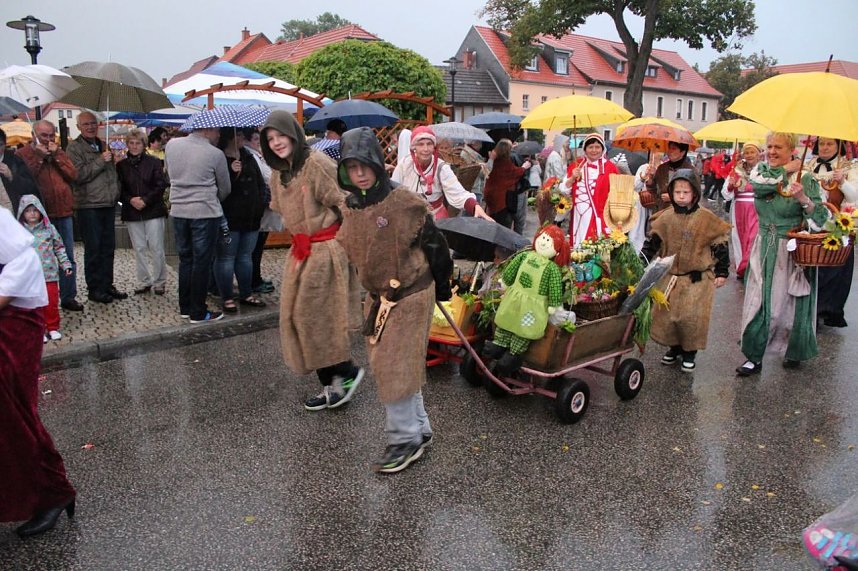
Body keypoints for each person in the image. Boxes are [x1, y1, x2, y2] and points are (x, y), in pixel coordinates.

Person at [335, 126, 453, 473]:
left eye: (364, 165)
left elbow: (436, 247)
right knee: (397, 364)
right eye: (351, 167)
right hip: (380, 299)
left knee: (394, 364)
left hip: (412, 293)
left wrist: (443, 285)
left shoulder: (404, 203)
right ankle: (419, 429)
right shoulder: (351, 206)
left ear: (375, 161)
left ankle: (404, 440)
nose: (359, 173)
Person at [260, 110, 364, 411]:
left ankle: (346, 374)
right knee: (297, 317)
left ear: (293, 133)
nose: (277, 142)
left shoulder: (316, 163)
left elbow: (345, 201)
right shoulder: (279, 173)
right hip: (301, 250)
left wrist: (350, 245)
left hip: (325, 249)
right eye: (271, 139)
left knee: (316, 317)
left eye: (281, 135)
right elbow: (282, 208)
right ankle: (331, 383)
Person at [0, 208, 76, 537]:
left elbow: (24, 262)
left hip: (12, 328)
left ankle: (52, 494)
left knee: (13, 416)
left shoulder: (3, 224)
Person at [736, 132, 829, 376]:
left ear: (792, 150)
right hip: (763, 244)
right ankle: (754, 356)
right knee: (759, 301)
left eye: (779, 147)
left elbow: (820, 219)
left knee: (791, 304)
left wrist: (803, 198)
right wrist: (786, 168)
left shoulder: (806, 178)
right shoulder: (762, 172)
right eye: (769, 146)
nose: (772, 151)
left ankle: (793, 350)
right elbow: (757, 186)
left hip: (791, 248)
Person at [640, 170, 731, 372]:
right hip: (671, 276)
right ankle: (674, 348)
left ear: (695, 193)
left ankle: (689, 352)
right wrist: (641, 262)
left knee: (690, 318)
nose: (681, 196)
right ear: (671, 193)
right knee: (670, 317)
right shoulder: (665, 218)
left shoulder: (707, 219)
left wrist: (722, 272)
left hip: (696, 280)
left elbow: (720, 246)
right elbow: (652, 243)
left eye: (686, 192)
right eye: (677, 192)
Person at [164, 124, 231, 323]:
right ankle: (198, 311)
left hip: (179, 210)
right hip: (204, 211)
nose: (219, 135)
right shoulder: (215, 153)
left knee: (186, 259)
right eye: (217, 131)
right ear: (207, 129)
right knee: (201, 262)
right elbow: (225, 188)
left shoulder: (172, 145)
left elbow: (168, 174)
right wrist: (211, 197)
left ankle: (185, 306)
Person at [16, 120, 83, 311]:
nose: (48, 139)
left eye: (51, 135)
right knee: (39, 258)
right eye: (44, 135)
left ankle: (68, 296)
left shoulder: (58, 152)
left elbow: (72, 175)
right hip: (38, 216)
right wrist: (38, 157)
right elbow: (24, 180)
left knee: (67, 256)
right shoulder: (23, 154)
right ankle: (41, 297)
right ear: (33, 135)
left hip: (63, 211)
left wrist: (57, 157)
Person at [67, 111, 127, 304]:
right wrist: (101, 160)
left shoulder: (103, 144)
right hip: (89, 205)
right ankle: (95, 289)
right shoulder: (74, 148)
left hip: (107, 203)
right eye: (86, 124)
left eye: (93, 123)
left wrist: (116, 190)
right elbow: (79, 175)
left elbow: (110, 174)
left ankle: (107, 285)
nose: (91, 127)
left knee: (108, 248)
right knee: (94, 248)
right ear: (79, 127)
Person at [214, 127, 267, 312]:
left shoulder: (248, 156)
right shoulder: (220, 157)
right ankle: (227, 296)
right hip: (230, 217)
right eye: (238, 134)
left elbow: (260, 183)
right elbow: (219, 189)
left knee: (245, 258)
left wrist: (260, 204)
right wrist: (231, 172)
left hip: (251, 217)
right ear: (229, 136)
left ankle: (246, 293)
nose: (242, 138)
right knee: (226, 258)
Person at [391, 126, 491, 221]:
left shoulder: (441, 167)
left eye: (429, 144)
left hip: (435, 217)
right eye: (421, 144)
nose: (425, 149)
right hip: (410, 218)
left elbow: (458, 193)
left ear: (434, 146)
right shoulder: (404, 165)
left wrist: (475, 206)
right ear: (414, 147)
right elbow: (392, 191)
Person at [809, 137, 857, 328]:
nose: (825, 147)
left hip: (837, 223)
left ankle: (825, 309)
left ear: (839, 147)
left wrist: (843, 182)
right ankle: (810, 307)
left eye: (830, 144)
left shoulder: (848, 167)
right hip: (813, 222)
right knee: (813, 267)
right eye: (822, 144)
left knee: (833, 271)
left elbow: (854, 196)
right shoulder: (810, 165)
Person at [117, 128, 169, 296]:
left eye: (137, 143)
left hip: (152, 209)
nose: (134, 146)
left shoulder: (153, 162)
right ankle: (144, 280)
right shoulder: (122, 166)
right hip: (132, 210)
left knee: (156, 247)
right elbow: (120, 188)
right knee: (139, 248)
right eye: (131, 143)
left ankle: (160, 281)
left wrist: (145, 200)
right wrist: (131, 199)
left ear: (143, 144)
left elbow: (160, 185)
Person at [16, 194, 73, 342]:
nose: (32, 214)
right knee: (34, 305)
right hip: (29, 277)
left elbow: (59, 247)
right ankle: (38, 329)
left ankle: (52, 327)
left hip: (49, 274)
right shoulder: (19, 232)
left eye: (35, 210)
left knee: (51, 302)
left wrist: (65, 264)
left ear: (40, 211)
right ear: (22, 213)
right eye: (28, 211)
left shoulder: (49, 229)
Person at [564, 133, 618, 246]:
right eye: (590, 147)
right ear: (585, 149)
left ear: (603, 149)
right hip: (578, 214)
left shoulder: (610, 167)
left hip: (601, 214)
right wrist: (572, 177)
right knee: (578, 245)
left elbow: (617, 193)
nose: (594, 150)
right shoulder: (576, 165)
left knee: (598, 246)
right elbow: (563, 191)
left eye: (597, 147)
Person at [242, 127, 277, 295]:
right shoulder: (252, 156)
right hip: (259, 210)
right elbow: (269, 177)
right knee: (255, 249)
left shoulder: (254, 155)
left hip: (259, 209)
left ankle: (254, 279)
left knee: (255, 248)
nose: (258, 143)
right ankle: (254, 280)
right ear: (248, 140)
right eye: (256, 139)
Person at [721, 142, 762, 280]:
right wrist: (731, 186)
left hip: (757, 208)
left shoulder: (764, 170)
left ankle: (751, 267)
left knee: (753, 238)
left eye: (752, 152)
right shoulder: (736, 171)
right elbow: (725, 194)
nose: (749, 155)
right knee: (739, 238)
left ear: (758, 154)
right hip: (739, 208)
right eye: (747, 152)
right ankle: (741, 269)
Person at [483, 139, 532, 229]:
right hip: (500, 200)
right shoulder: (505, 163)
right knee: (502, 226)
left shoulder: (493, 160)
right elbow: (514, 173)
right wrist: (524, 167)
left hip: (490, 196)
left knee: (491, 223)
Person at [0, 129, 41, 219]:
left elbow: (30, 187)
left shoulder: (14, 160)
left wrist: (11, 176)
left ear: (5, 144)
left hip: (12, 214)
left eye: (0, 145)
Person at [645, 141, 694, 213]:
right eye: (669, 148)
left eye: (673, 149)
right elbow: (653, 191)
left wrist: (673, 198)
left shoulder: (690, 171)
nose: (669, 151)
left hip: (681, 214)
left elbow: (695, 196)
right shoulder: (662, 168)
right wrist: (650, 179)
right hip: (661, 212)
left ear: (682, 152)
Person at [460, 139, 489, 206]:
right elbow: (483, 173)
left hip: (473, 189)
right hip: (474, 189)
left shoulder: (470, 153)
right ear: (474, 142)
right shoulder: (470, 154)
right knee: (472, 214)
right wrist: (491, 160)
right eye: (479, 141)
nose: (481, 144)